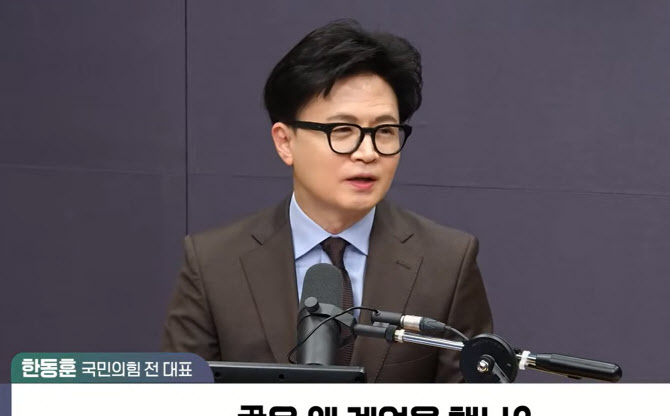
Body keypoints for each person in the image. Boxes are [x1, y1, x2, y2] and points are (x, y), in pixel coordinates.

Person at [162, 19, 493, 382]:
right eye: (342, 130)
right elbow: (178, 404)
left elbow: (473, 408)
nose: (367, 152)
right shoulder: (213, 264)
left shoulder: (447, 263)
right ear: (285, 142)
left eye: (384, 131)